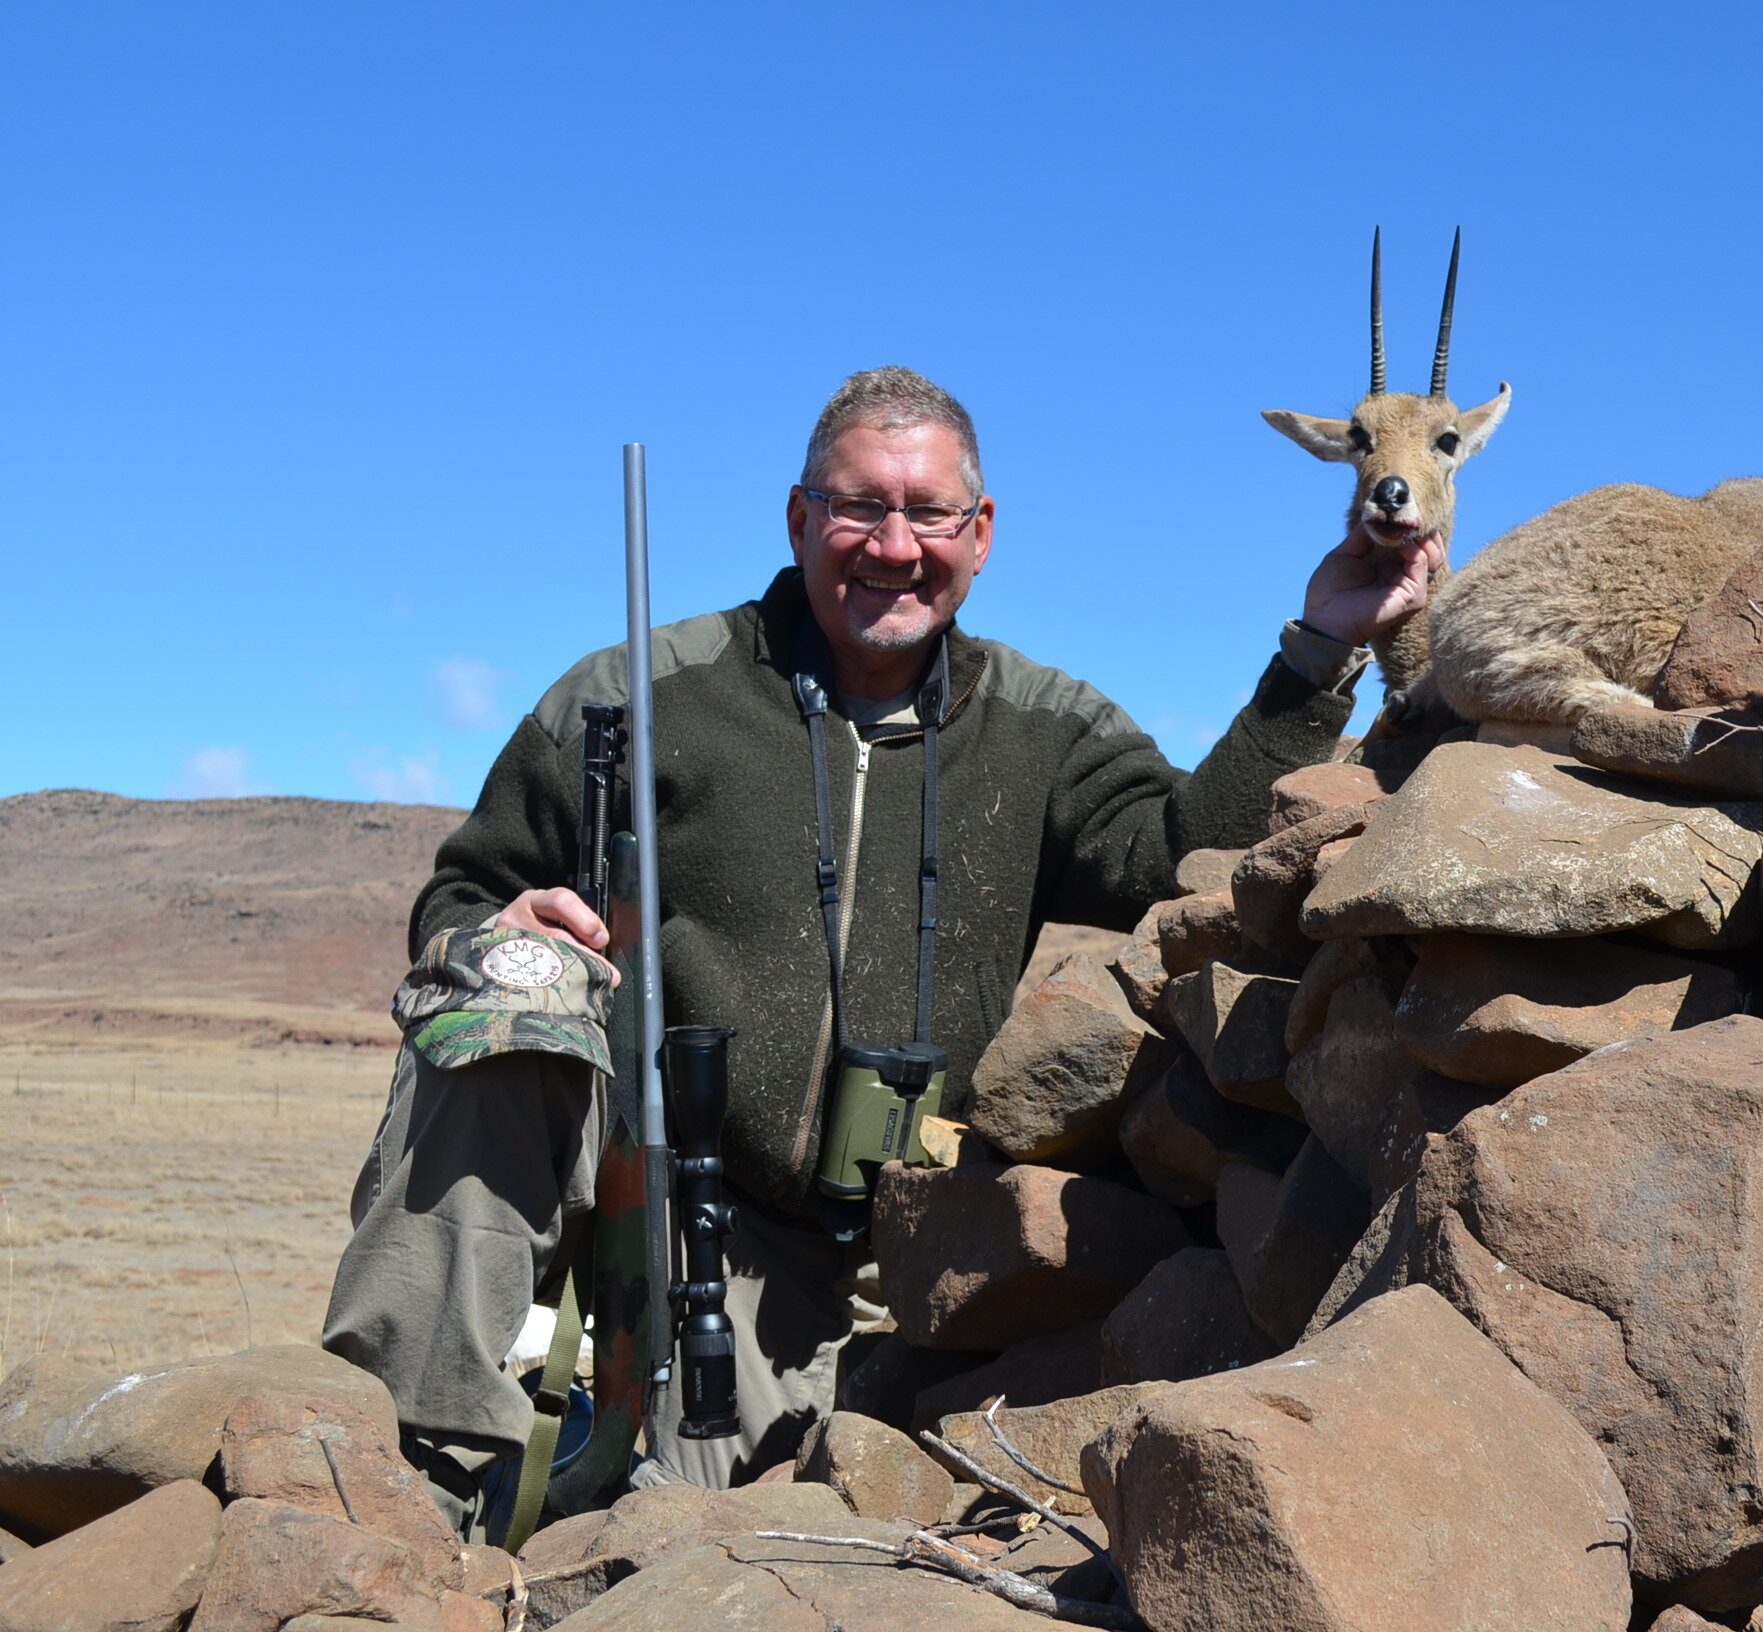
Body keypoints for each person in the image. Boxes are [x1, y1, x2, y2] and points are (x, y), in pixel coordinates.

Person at [322, 365, 1442, 1530]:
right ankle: (393, 1478)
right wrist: (489, 931)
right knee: (512, 991)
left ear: (982, 533)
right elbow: (466, 889)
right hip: (651, 1187)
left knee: (726, 1535)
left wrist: (1317, 649)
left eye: (928, 514)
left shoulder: (1045, 725)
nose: (893, 547)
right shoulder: (646, 691)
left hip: (865, 1256)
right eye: (859, 508)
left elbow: (1185, 857)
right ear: (801, 518)